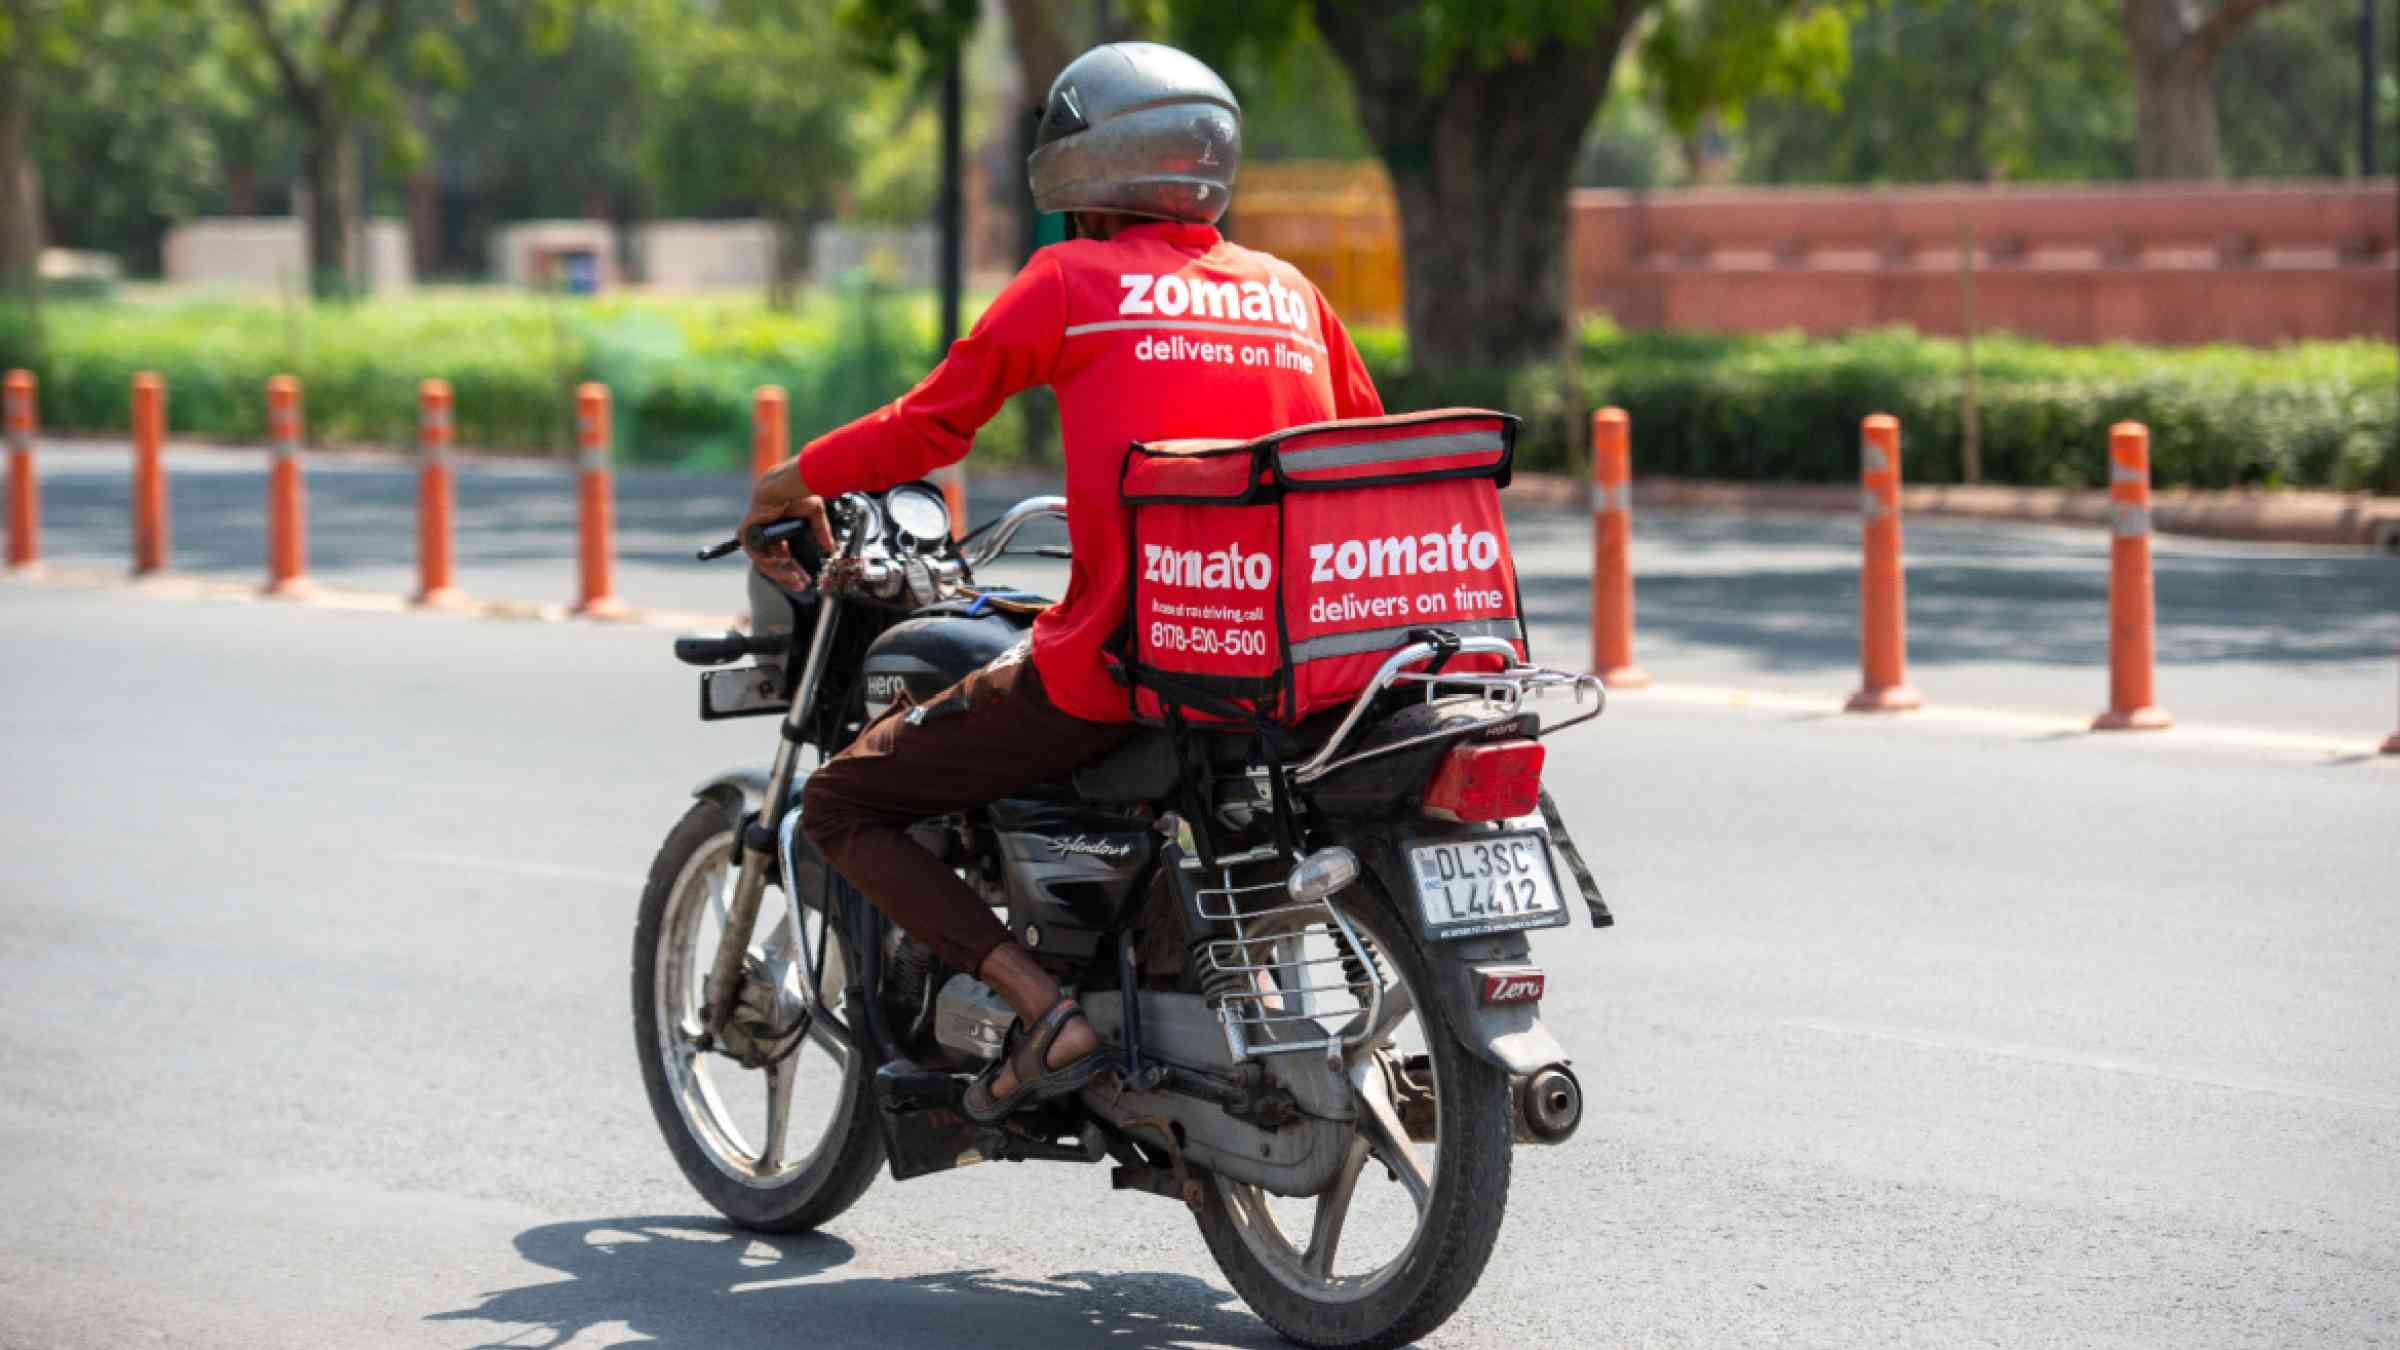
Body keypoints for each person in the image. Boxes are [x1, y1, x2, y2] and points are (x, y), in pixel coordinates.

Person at [742, 41, 1383, 1122]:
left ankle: (1043, 1007)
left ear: (1080, 169)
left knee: (845, 804)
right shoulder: (1286, 292)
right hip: (1289, 660)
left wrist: (782, 483)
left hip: (1128, 664)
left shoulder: (1071, 283)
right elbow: (1359, 445)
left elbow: (930, 424)